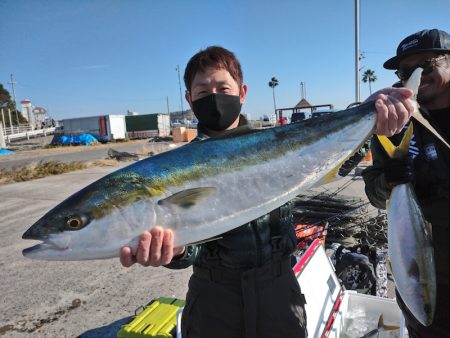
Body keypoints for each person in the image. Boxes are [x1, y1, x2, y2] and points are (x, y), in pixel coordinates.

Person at [120, 46, 414, 338]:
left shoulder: (280, 144)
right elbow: (192, 250)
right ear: (189, 99)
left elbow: (330, 164)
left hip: (278, 289)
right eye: (202, 92)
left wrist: (368, 120)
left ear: (242, 92)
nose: (213, 97)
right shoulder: (175, 169)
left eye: (223, 87)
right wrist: (175, 250)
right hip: (214, 299)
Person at [362, 29, 450, 337]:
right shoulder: (392, 121)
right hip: (418, 276)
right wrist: (388, 181)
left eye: (426, 64)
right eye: (405, 71)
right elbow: (373, 191)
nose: (415, 76)